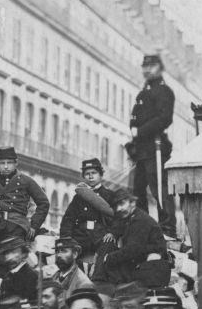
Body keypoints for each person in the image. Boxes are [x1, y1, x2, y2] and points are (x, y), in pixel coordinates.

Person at [127, 54, 176, 236]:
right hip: (140, 148)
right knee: (137, 191)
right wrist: (133, 130)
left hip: (155, 147)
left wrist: (140, 131)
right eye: (145, 66)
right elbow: (134, 117)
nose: (147, 69)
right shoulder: (143, 93)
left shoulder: (164, 91)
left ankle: (167, 228)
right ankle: (142, 226)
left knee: (159, 189)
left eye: (152, 66)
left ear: (160, 68)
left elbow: (164, 118)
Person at [93, 190, 169, 288]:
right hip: (140, 256)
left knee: (110, 268)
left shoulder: (140, 220)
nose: (118, 209)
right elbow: (120, 226)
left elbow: (132, 250)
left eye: (121, 204)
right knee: (108, 243)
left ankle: (99, 282)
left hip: (151, 264)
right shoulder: (131, 216)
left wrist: (108, 258)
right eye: (115, 206)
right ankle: (99, 280)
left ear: (132, 203)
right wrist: (113, 233)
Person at [0, 146, 49, 250]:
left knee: (11, 251)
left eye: (9, 163)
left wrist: (34, 225)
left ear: (16, 163)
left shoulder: (26, 181)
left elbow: (44, 203)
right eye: (2, 163)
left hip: (17, 224)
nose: (5, 166)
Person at [59, 158, 116, 262]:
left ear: (101, 174)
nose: (90, 177)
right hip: (81, 237)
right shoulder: (79, 197)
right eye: (87, 174)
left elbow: (118, 218)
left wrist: (113, 232)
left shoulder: (109, 195)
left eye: (94, 173)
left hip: (101, 237)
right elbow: (68, 219)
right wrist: (66, 239)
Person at [0, 236, 37, 302]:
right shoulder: (3, 272)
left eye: (13, 252)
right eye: (6, 253)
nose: (9, 257)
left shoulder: (30, 275)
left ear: (24, 253)